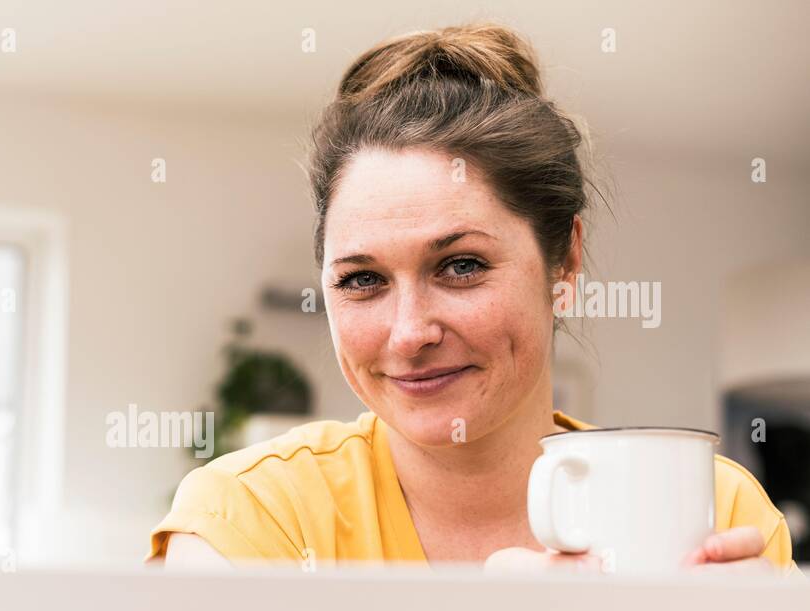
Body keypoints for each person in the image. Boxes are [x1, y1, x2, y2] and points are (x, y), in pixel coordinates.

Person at [148, 23, 795, 575]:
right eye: (362, 280)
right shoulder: (250, 519)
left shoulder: (715, 510)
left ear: (563, 261)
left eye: (460, 266)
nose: (408, 333)